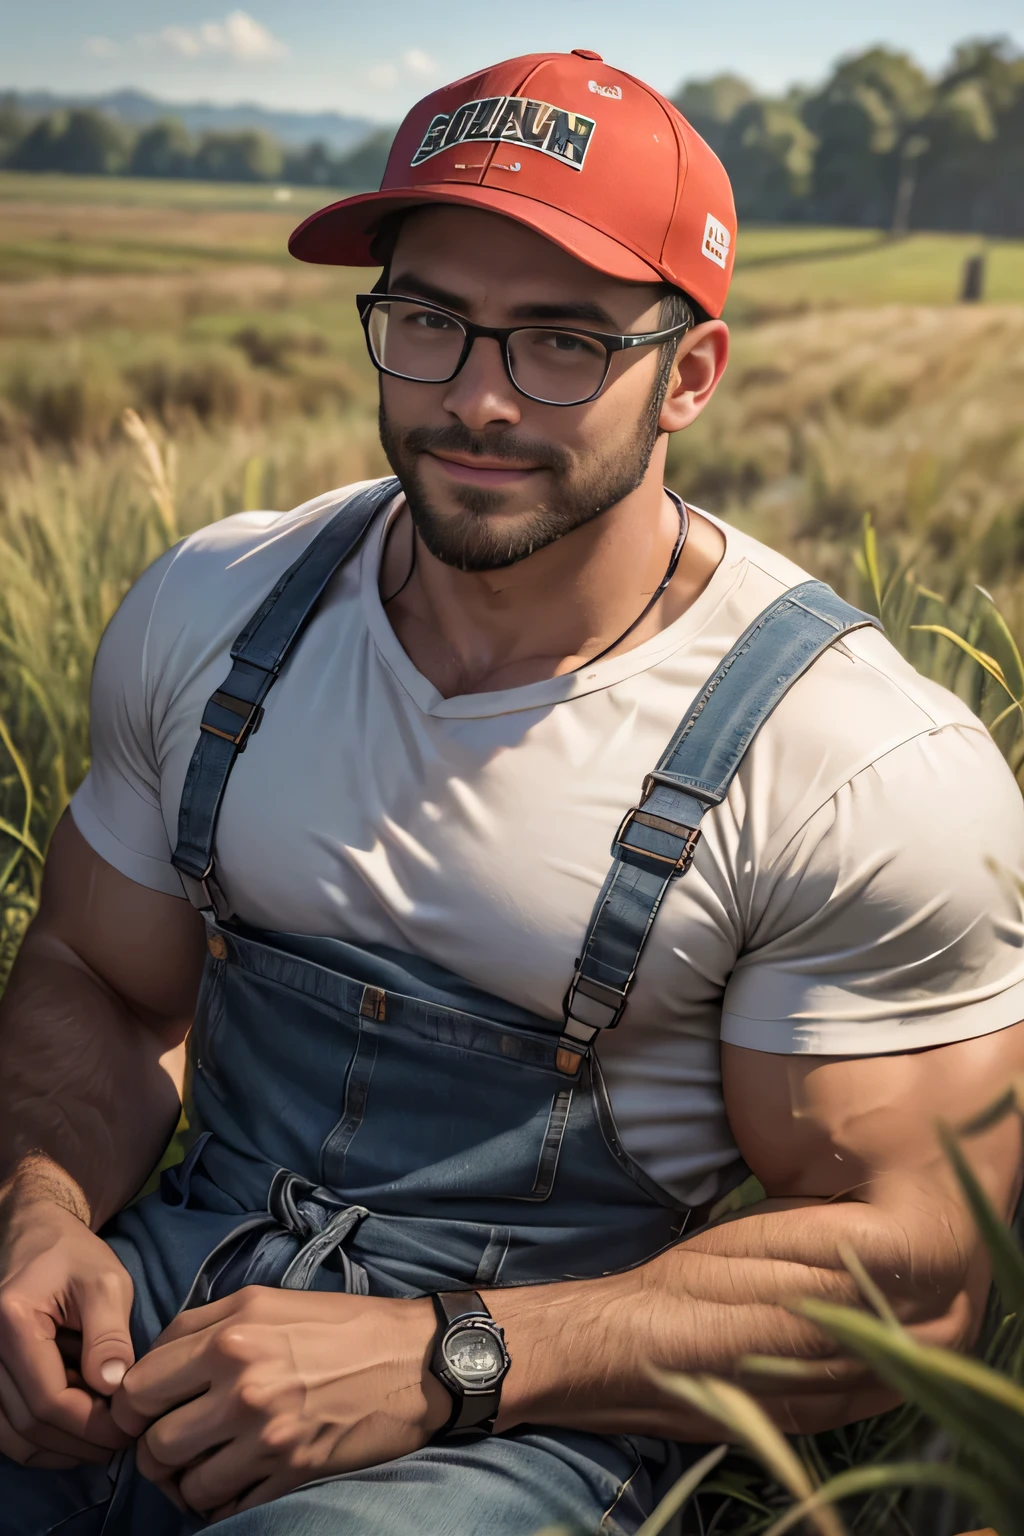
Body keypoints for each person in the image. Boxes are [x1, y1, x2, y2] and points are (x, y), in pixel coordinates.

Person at [1, 47, 1023, 1536]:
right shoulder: (219, 606)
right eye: (429, 321)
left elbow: (915, 1275)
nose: (475, 398)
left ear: (690, 373)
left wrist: (449, 1356)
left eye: (561, 343)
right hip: (157, 1295)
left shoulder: (855, 764)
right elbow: (99, 973)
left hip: (532, 1418)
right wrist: (39, 1217)